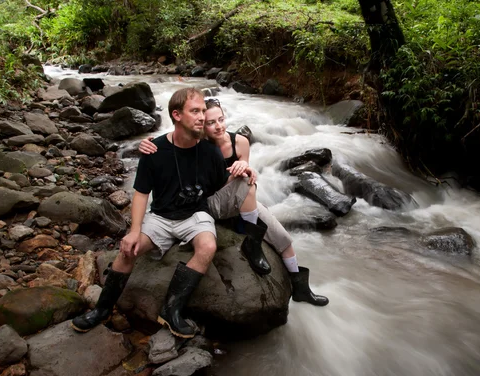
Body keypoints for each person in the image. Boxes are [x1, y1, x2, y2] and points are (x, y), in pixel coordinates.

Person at [71, 87, 264, 339]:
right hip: (161, 217)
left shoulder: (209, 152)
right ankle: (102, 309)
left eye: (203, 111)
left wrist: (243, 170)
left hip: (197, 214)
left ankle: (171, 309)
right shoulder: (155, 150)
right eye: (195, 111)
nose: (202, 117)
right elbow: (140, 194)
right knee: (129, 249)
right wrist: (134, 231)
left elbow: (220, 184)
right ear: (176, 115)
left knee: (207, 247)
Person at [139, 97, 329, 307]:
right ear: (202, 124)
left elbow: (246, 181)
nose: (218, 126)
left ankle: (301, 289)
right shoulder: (198, 144)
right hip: (209, 205)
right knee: (244, 182)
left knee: (283, 239)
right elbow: (171, 143)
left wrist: (246, 169)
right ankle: (251, 241)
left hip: (240, 200)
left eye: (221, 119)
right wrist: (146, 143)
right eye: (211, 122)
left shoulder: (240, 142)